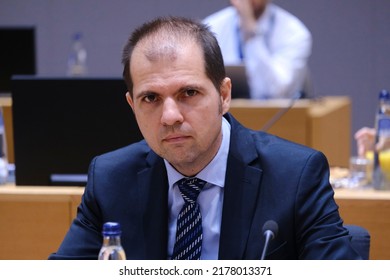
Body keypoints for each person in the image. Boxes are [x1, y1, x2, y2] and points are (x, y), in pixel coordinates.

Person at [49, 16, 360, 260]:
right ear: (132, 106)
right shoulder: (110, 178)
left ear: (224, 95)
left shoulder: (295, 175)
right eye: (151, 99)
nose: (170, 116)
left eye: (188, 93)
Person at [203, 0, 312, 99]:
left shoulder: (295, 32)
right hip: (224, 115)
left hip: (276, 117)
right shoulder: (211, 27)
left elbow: (273, 92)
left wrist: (251, 30)